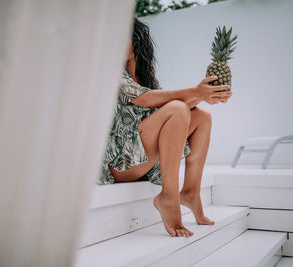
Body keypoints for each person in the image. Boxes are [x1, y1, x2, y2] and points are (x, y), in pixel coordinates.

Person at [97, 17, 232, 237]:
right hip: (119, 162)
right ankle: (169, 197)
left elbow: (172, 111)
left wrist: (204, 97)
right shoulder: (110, 73)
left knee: (202, 117)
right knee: (179, 108)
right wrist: (197, 92)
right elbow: (146, 100)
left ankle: (190, 192)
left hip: (142, 159)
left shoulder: (145, 78)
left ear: (136, 41)